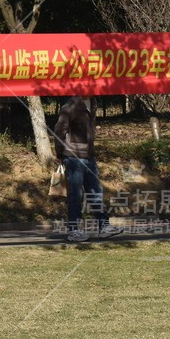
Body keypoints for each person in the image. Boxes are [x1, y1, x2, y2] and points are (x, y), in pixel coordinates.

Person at [53, 95, 121, 242]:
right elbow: (59, 130)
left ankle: (104, 226)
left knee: (96, 191)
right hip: (73, 156)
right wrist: (60, 152)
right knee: (76, 194)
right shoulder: (70, 106)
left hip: (89, 155)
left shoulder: (94, 102)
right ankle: (74, 230)